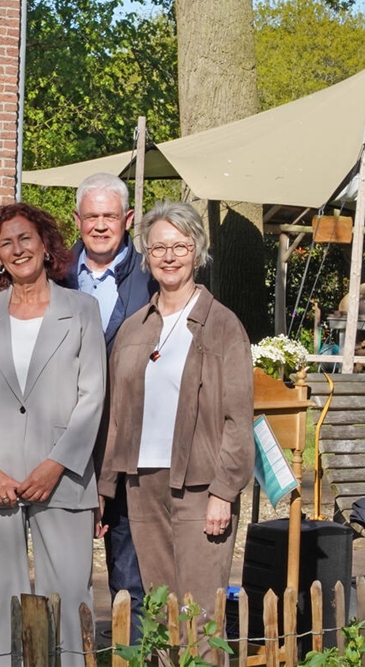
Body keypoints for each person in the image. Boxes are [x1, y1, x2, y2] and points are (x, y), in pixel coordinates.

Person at [0, 203, 106, 667]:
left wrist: (55, 464)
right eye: (6, 243)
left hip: (63, 477)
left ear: (45, 245)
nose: (18, 249)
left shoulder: (81, 309)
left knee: (68, 595)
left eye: (25, 239)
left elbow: (93, 395)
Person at [98, 201, 254, 614]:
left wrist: (224, 492)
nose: (169, 257)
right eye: (158, 248)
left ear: (197, 252)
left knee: (199, 614)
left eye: (180, 247)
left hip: (200, 488)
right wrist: (105, 488)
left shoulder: (222, 326)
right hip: (141, 484)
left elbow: (238, 420)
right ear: (146, 257)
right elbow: (117, 417)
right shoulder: (134, 328)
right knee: (161, 612)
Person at [63, 172, 155, 640]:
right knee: (67, 562)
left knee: (130, 560)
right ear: (77, 220)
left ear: (128, 219)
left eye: (110, 216)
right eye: (92, 216)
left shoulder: (152, 276)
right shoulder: (53, 275)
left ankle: (130, 649)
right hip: (67, 439)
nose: (101, 226)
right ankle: (73, 650)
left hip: (130, 441)